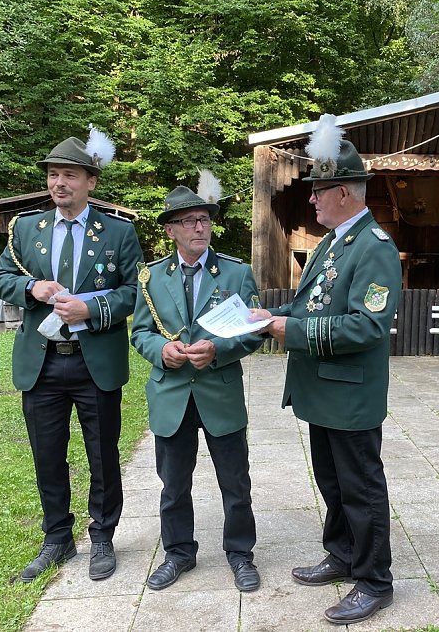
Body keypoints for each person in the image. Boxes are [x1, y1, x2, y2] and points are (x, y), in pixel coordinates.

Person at [250, 115, 402, 625]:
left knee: (361, 489)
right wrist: (270, 318)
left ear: (345, 192)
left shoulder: (375, 248)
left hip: (351, 395)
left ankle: (375, 581)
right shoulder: (335, 241)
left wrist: (287, 332)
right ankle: (342, 555)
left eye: (318, 191)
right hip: (323, 390)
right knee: (333, 485)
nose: (311, 199)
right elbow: (311, 306)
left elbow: (366, 327)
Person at [0, 129, 144, 582]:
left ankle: (102, 537)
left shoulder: (118, 232)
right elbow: (0, 277)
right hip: (41, 361)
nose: (60, 183)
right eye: (54, 175)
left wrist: (91, 307)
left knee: (102, 454)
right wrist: (30, 287)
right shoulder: (25, 229)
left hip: (94, 360)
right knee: (46, 455)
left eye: (70, 175)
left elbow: (136, 292)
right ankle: (57, 539)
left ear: (90, 182)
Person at [130, 176, 264, 592]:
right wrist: (161, 352)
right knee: (173, 486)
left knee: (235, 484)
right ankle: (179, 554)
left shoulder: (237, 273)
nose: (198, 228)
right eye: (187, 221)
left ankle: (240, 554)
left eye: (203, 219)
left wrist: (219, 351)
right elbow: (140, 332)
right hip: (171, 394)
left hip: (219, 391)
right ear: (170, 230)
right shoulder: (150, 278)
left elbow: (255, 330)